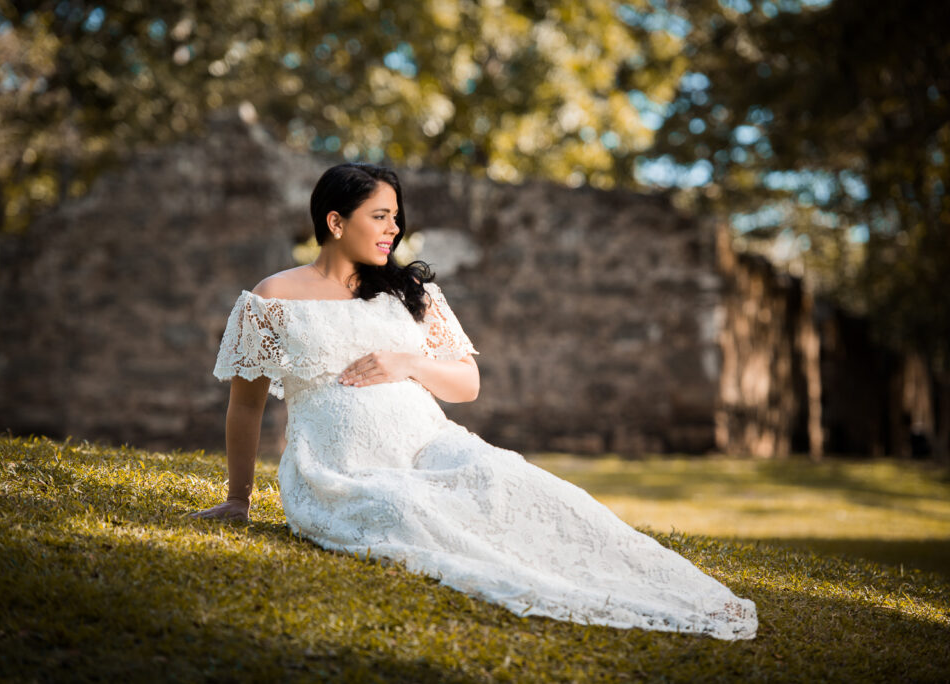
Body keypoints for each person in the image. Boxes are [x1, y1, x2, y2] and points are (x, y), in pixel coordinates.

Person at [191, 162, 758, 640]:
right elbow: (246, 406)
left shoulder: (411, 294)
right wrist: (240, 499)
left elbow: (467, 384)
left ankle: (661, 587)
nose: (393, 229)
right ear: (335, 222)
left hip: (433, 443)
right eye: (380, 216)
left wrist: (405, 363)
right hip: (340, 468)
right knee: (407, 512)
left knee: (520, 484)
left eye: (396, 217)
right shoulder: (270, 298)